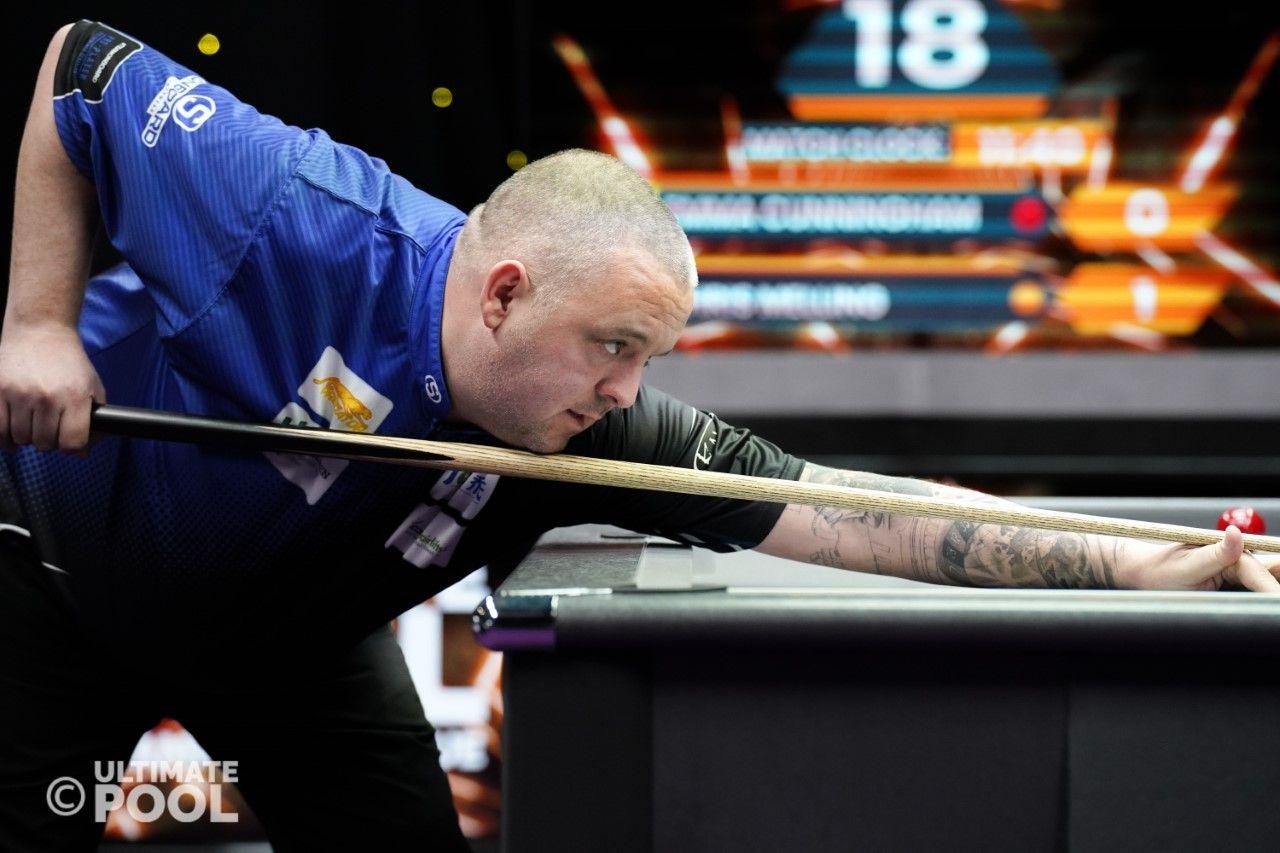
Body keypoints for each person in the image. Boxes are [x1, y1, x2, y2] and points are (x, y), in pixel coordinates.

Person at [2, 19, 1276, 851]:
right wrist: (37, 324)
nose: (626, 391)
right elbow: (82, 69)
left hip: (293, 653)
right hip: (51, 587)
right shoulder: (296, 215)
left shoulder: (590, 426)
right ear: (503, 296)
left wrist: (1149, 565)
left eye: (648, 358)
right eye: (611, 346)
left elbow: (855, 514)